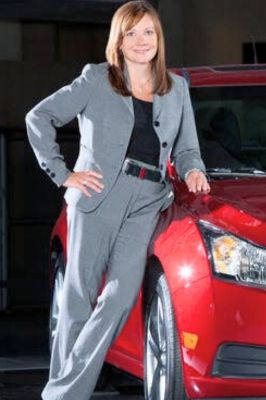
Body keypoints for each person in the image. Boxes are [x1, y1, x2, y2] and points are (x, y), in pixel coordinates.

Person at [25, 1, 210, 399]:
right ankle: (66, 394)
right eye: (131, 33)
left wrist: (194, 169)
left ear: (159, 39)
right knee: (77, 301)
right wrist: (63, 173)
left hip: (147, 201)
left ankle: (59, 392)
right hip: (96, 197)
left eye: (148, 32)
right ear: (119, 40)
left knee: (121, 296)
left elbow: (187, 149)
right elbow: (38, 118)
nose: (141, 41)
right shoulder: (96, 79)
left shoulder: (177, 89)